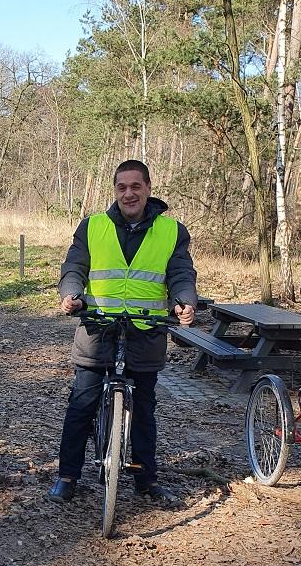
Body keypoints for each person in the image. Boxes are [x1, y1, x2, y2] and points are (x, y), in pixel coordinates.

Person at [48, 159, 197, 506]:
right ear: (114, 190)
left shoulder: (172, 231)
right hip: (98, 328)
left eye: (135, 186)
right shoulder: (93, 226)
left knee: (144, 409)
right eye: (122, 187)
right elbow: (74, 266)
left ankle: (146, 479)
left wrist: (184, 301)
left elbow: (181, 273)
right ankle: (67, 475)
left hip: (146, 330)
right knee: (82, 402)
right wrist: (70, 293)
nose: (128, 193)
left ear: (148, 188)